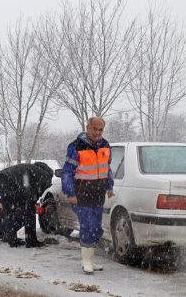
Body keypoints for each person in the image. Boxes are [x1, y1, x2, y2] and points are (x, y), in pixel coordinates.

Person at [62, 117, 114, 275]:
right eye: (94, 129)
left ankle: (91, 259)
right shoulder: (76, 146)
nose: (97, 132)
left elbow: (107, 168)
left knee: (97, 228)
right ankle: (86, 261)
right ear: (87, 127)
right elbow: (67, 172)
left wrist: (110, 186)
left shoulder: (105, 145)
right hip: (81, 194)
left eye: (101, 129)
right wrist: (70, 193)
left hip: (97, 194)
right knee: (88, 226)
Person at [0, 162, 53, 248]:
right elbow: (36, 192)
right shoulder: (45, 174)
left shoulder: (29, 167)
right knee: (29, 212)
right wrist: (33, 203)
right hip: (11, 184)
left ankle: (11, 239)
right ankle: (31, 241)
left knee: (8, 212)